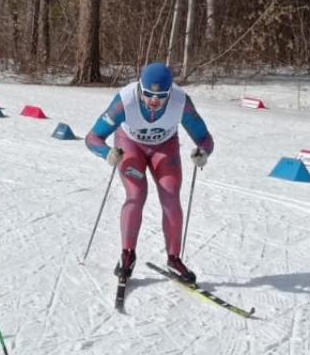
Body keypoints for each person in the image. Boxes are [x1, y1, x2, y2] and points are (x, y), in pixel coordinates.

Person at [84, 62, 215, 285]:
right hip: (130, 145)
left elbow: (204, 138)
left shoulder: (180, 102)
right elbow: (92, 138)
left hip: (164, 147)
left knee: (171, 196)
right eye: (148, 95)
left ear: (170, 92)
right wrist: (107, 153)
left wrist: (203, 152)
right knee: (136, 195)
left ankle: (174, 258)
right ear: (140, 88)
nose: (154, 101)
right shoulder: (125, 101)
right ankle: (127, 255)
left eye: (161, 96)